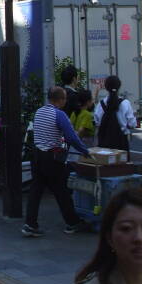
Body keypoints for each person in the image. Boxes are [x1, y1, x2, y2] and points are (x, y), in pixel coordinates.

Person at [22, 86, 90, 237]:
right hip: (52, 158)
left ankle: (30, 224)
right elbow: (71, 137)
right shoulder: (59, 114)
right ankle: (72, 223)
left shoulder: (39, 112)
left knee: (36, 190)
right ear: (59, 100)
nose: (66, 101)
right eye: (64, 98)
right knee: (61, 190)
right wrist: (85, 151)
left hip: (37, 156)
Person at [94, 75, 137, 155]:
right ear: (119, 86)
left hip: (104, 141)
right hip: (121, 142)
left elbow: (97, 122)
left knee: (105, 165)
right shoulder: (125, 103)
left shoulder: (101, 104)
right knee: (122, 166)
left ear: (106, 87)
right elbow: (132, 124)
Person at [69, 89, 96, 163]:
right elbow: (81, 130)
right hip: (84, 147)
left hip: (73, 148)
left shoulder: (74, 113)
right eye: (91, 100)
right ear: (87, 102)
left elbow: (69, 128)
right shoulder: (87, 114)